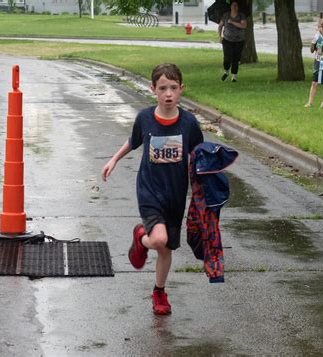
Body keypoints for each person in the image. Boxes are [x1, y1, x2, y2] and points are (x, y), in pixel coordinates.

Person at [101, 63, 204, 315]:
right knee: (159, 239)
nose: (168, 93)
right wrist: (113, 159)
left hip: (175, 195)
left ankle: (159, 291)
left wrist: (207, 181)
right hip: (149, 190)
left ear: (181, 89)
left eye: (173, 88)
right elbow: (133, 142)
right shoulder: (145, 118)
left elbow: (199, 154)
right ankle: (143, 238)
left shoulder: (189, 123)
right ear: (153, 90)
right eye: (162, 88)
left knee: (166, 249)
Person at [304, 18, 323, 109]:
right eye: (318, 27)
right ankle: (310, 102)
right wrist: (313, 43)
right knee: (314, 82)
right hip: (317, 61)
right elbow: (312, 50)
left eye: (321, 27)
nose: (319, 29)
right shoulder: (317, 36)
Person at [218, 0, 247, 82]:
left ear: (238, 7)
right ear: (230, 7)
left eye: (236, 5)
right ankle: (226, 72)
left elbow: (243, 25)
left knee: (236, 59)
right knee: (227, 58)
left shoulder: (241, 15)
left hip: (239, 41)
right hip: (227, 40)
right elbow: (220, 26)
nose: (234, 7)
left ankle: (234, 76)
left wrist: (232, 22)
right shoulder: (226, 15)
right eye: (233, 5)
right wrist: (220, 37)